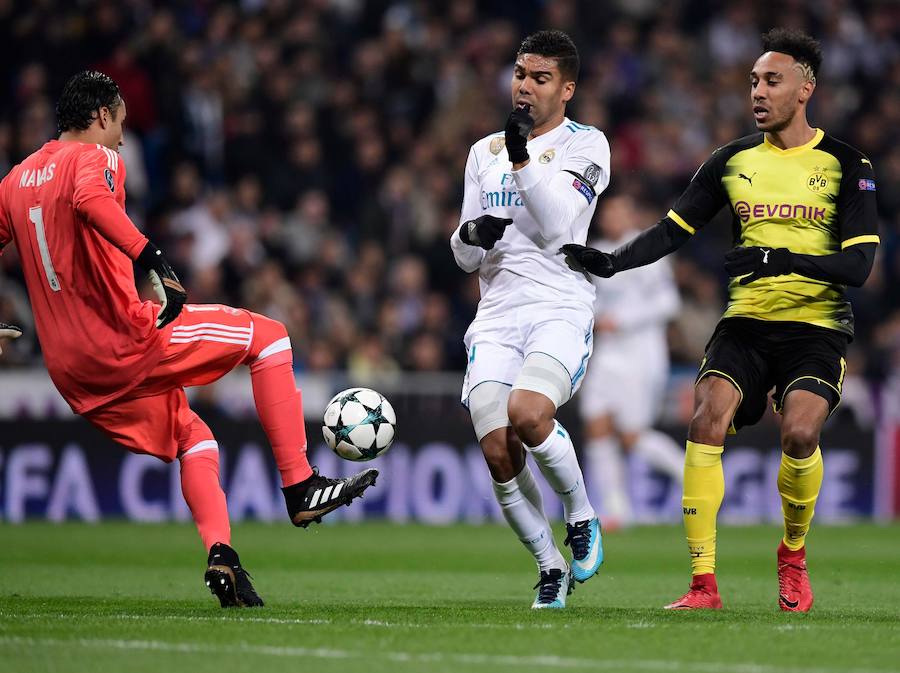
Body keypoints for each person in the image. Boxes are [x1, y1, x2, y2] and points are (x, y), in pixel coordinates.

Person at [0, 71, 378, 608]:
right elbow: (90, 197)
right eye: (121, 124)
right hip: (125, 340)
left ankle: (222, 553)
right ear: (102, 116)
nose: (123, 139)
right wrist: (149, 254)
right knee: (269, 339)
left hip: (70, 370)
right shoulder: (94, 158)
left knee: (193, 436)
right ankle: (300, 484)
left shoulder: (15, 179)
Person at [563, 29, 878, 612]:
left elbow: (859, 265)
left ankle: (792, 554)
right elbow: (669, 231)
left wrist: (782, 259)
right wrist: (610, 262)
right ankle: (703, 585)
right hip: (745, 324)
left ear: (805, 88)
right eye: (753, 80)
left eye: (771, 80)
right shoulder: (731, 161)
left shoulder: (846, 164)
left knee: (801, 434)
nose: (757, 91)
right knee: (705, 420)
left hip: (817, 326)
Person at [450, 30, 611, 608]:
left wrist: (522, 157)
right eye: (520, 74)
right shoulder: (482, 152)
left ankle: (582, 515)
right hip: (495, 313)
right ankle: (549, 565)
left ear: (566, 88)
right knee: (498, 449)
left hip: (558, 306)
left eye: (540, 78)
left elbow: (558, 228)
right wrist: (470, 236)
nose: (525, 86)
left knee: (528, 411)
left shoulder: (587, 145)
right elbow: (465, 254)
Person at [578, 194, 683, 528]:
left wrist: (622, 319)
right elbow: (585, 300)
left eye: (619, 210)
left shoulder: (646, 250)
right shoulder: (593, 251)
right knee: (596, 423)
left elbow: (669, 302)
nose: (612, 217)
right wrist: (597, 317)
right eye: (608, 212)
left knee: (632, 436)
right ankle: (616, 509)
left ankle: (692, 478)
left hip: (641, 354)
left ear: (631, 214)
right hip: (607, 354)